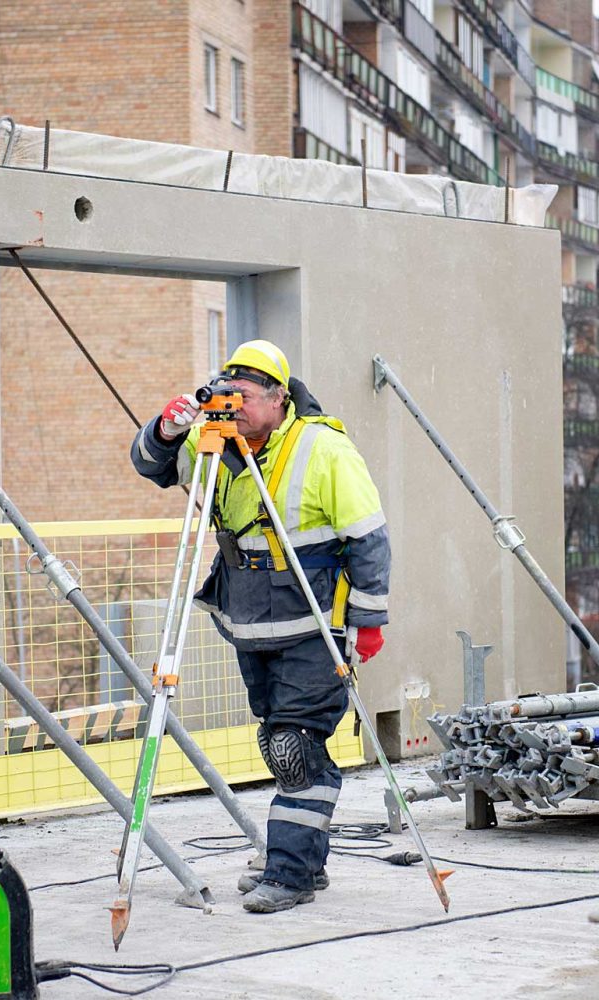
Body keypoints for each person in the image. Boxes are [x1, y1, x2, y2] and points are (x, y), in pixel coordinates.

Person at [131, 339, 390, 914]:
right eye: (227, 396)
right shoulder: (216, 440)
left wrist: (368, 620)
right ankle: (304, 861)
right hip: (251, 622)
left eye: (245, 397)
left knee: (294, 744)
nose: (235, 407)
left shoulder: (323, 448)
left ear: (279, 398)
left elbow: (369, 538)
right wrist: (167, 430)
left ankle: (290, 874)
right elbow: (151, 466)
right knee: (280, 744)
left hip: (315, 624)